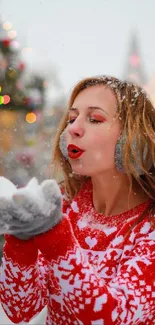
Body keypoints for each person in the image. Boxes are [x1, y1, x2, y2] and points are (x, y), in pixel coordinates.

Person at [0, 75, 155, 325]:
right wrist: (21, 239)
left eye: (95, 119)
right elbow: (21, 308)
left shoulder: (149, 229)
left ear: (133, 140)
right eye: (72, 118)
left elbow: (110, 318)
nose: (72, 128)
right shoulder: (63, 206)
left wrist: (56, 238)